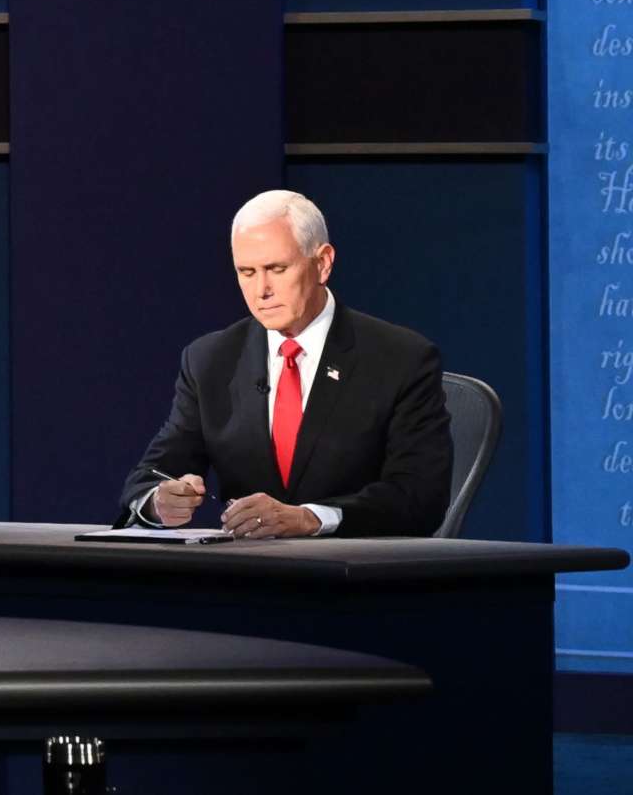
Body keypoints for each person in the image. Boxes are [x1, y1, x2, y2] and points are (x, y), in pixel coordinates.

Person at [119, 190, 451, 538]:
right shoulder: (211, 360)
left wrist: (310, 518)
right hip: (250, 578)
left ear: (322, 263)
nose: (261, 290)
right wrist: (159, 501)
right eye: (246, 272)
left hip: (355, 576)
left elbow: (420, 497)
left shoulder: (400, 358)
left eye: (276, 269)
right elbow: (152, 474)